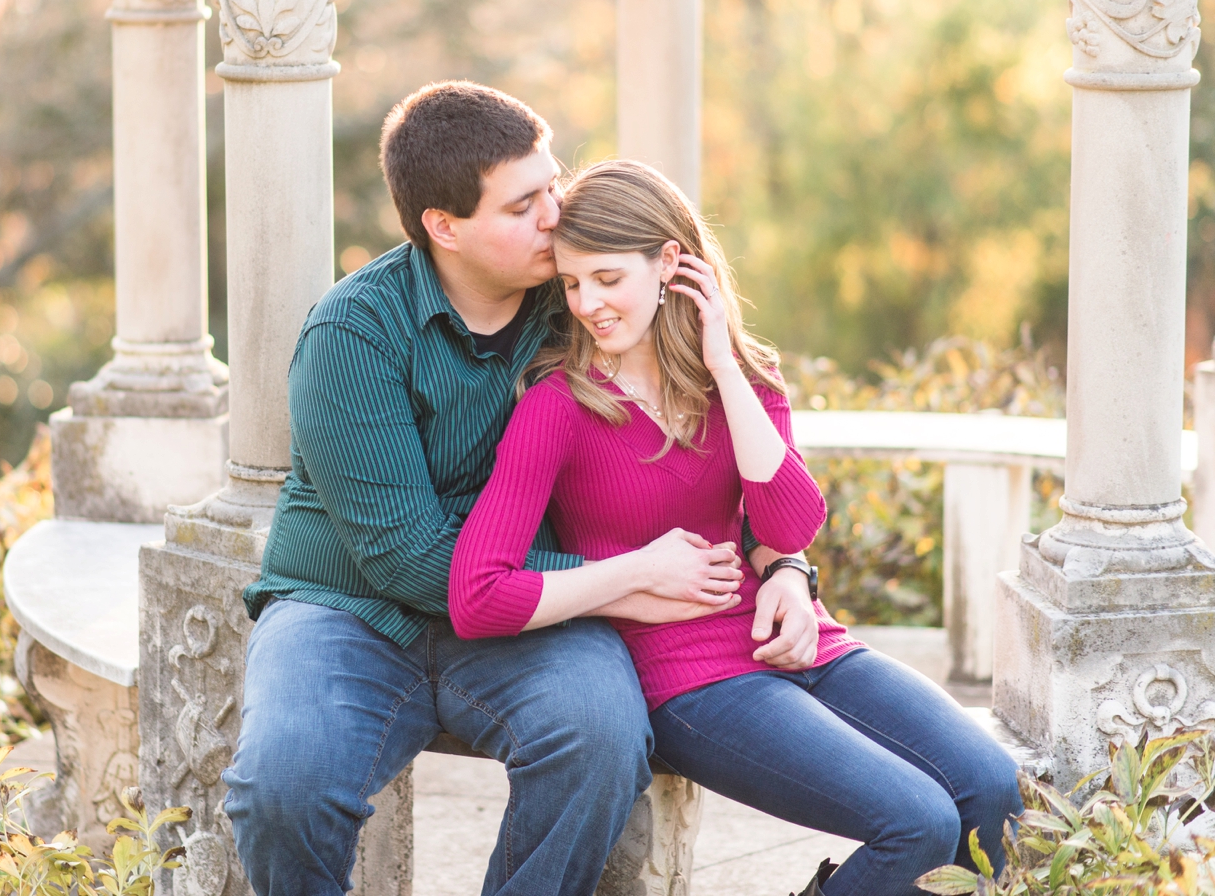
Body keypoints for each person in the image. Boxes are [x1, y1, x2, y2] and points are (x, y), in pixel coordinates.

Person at [222, 82, 824, 895]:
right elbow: (407, 559)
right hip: (348, 607)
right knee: (281, 787)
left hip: (532, 611)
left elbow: (712, 442)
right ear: (445, 227)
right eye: (522, 206)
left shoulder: (583, 298)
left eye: (552, 186)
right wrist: (627, 582)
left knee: (601, 738)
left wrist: (784, 564)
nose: (554, 215)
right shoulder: (352, 334)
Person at [448, 159, 1024, 896]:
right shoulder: (558, 406)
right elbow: (477, 594)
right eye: (571, 282)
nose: (588, 303)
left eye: (607, 278)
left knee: (995, 796)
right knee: (917, 824)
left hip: (803, 641)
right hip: (689, 676)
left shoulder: (745, 379)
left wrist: (722, 364)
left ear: (669, 265)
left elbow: (789, 521)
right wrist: (633, 577)